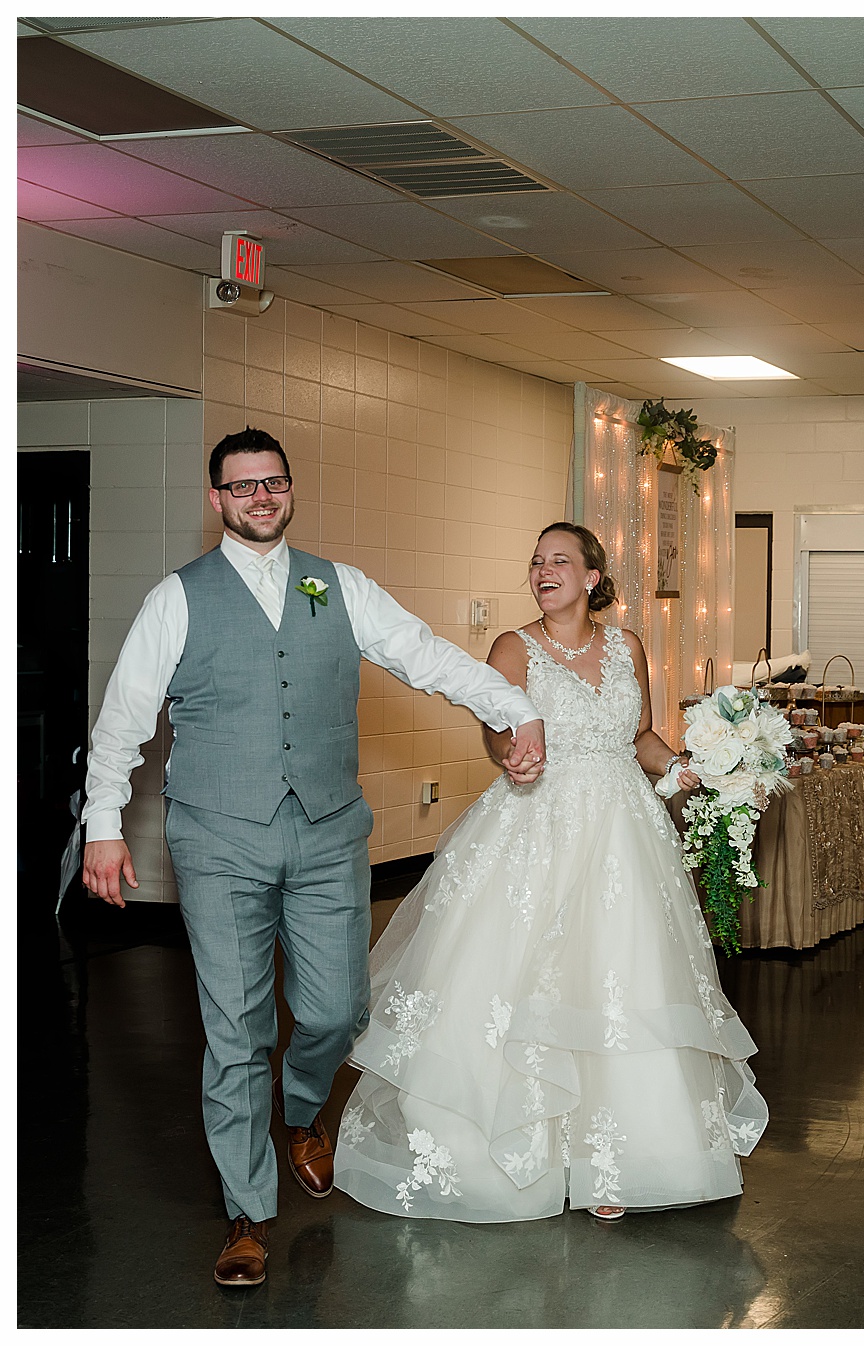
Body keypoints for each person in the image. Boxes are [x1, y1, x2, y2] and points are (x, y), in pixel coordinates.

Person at [80, 427, 548, 1288]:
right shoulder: (177, 599)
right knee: (235, 1031)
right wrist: (104, 823)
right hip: (217, 836)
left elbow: (427, 655)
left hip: (329, 832)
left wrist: (512, 705)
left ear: (289, 492)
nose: (261, 497)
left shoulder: (339, 586)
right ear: (216, 499)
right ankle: (248, 1214)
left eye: (275, 483)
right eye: (243, 486)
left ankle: (302, 1114)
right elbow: (122, 720)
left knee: (336, 1010)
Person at [333, 522, 768, 1223]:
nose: (543, 571)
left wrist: (684, 768)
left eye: (559, 561)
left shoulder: (626, 646)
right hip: (538, 821)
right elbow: (496, 722)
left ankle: (615, 1154)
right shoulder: (514, 646)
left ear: (592, 577)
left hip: (625, 830)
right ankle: (513, 1149)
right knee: (520, 974)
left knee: (617, 979)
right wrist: (510, 751)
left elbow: (641, 737)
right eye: (536, 561)